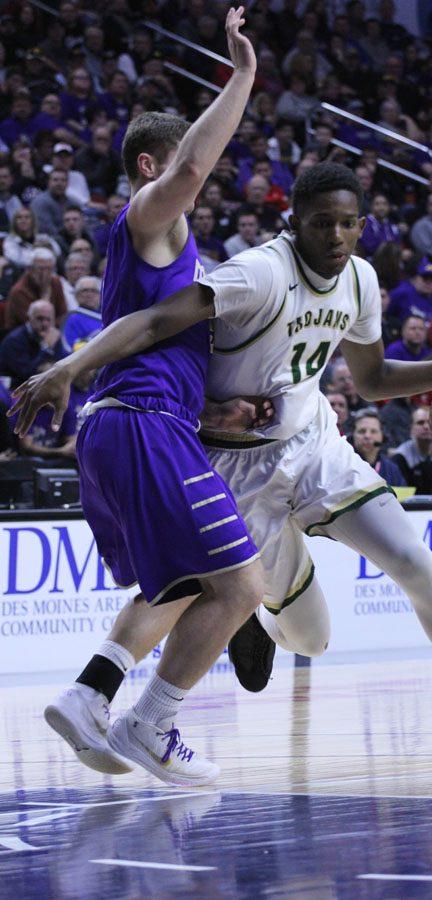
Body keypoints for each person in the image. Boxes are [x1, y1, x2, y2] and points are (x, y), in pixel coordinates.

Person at [13, 161, 432, 780]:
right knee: (310, 639)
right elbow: (152, 324)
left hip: (313, 445)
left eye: (347, 225)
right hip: (232, 464)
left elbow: (372, 379)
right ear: (293, 223)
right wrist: (71, 366)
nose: (335, 237)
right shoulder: (258, 272)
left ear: (363, 228)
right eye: (321, 223)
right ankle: (250, 612)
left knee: (414, 561)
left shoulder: (359, 279)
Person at [10, 8, 265, 788]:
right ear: (150, 164)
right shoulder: (150, 215)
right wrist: (244, 78)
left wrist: (217, 410)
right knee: (243, 586)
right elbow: (190, 171)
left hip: (132, 426)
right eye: (183, 152)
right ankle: (151, 722)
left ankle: (89, 695)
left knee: (182, 583)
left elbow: (156, 342)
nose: (201, 168)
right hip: (142, 428)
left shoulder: (167, 251)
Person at [0, 299, 67, 387]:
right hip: (12, 390)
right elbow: (26, 374)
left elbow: (60, 364)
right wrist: (46, 347)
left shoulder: (52, 335)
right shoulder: (14, 340)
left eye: (48, 319)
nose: (44, 324)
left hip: (38, 387)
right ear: (29, 318)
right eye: (39, 318)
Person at [393, 406, 432, 497]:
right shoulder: (401, 456)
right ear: (411, 428)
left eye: (430, 423)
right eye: (420, 423)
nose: (426, 426)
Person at [6, 248, 66, 328]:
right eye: (41, 269)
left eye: (49, 269)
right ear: (30, 270)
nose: (45, 274)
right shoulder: (19, 291)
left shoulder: (56, 282)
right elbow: (38, 325)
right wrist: (45, 293)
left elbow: (63, 315)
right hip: (26, 337)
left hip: (55, 332)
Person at [351, 407, 405, 487]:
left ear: (382, 436)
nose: (367, 436)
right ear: (353, 436)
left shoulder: (392, 469)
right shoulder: (344, 466)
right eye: (362, 431)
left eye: (373, 431)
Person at [61, 276, 102, 351]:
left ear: (100, 295)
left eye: (93, 290)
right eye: (85, 290)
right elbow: (70, 346)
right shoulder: (73, 318)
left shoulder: (107, 315)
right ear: (76, 295)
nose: (89, 294)